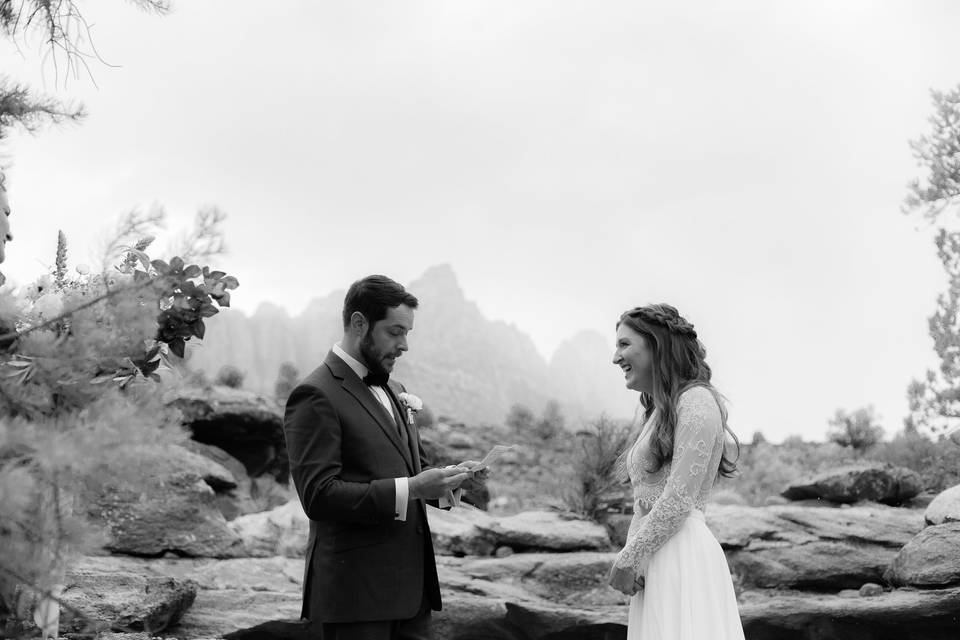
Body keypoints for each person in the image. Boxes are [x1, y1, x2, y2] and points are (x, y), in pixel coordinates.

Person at [283, 274, 477, 640]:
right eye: (395, 331)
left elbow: (414, 473)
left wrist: (452, 481)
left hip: (412, 596)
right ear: (359, 324)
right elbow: (319, 496)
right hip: (355, 600)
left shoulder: (396, 389)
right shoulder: (315, 394)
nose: (404, 345)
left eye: (408, 333)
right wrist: (413, 488)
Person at [608, 304, 745, 640]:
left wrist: (629, 557)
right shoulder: (658, 411)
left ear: (656, 344)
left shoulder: (696, 401)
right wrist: (635, 557)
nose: (615, 357)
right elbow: (645, 501)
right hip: (656, 557)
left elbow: (679, 498)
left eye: (625, 344)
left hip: (683, 556)